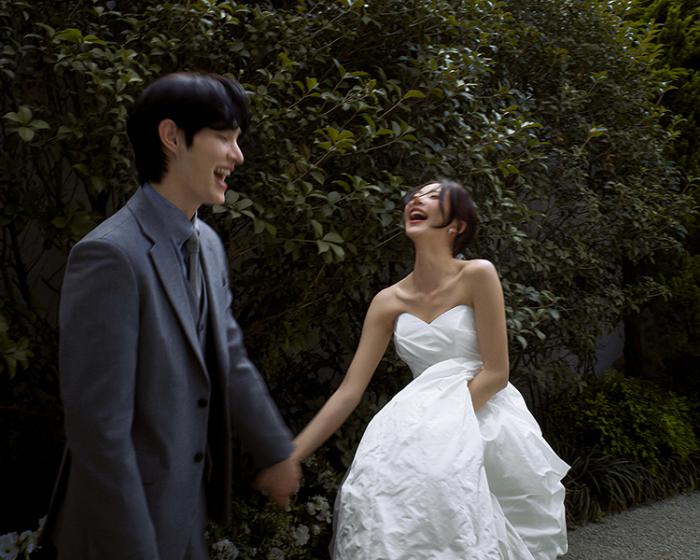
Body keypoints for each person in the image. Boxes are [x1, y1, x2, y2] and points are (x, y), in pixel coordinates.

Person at [43, 72, 300, 560]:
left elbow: (230, 356)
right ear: (172, 137)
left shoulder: (208, 244)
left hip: (184, 518)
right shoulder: (109, 256)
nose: (238, 155)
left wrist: (275, 450)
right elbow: (100, 433)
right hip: (122, 531)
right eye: (223, 137)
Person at [292, 179, 569, 559]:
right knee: (397, 520)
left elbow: (496, 372)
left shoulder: (478, 275)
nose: (417, 199)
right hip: (410, 424)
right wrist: (293, 453)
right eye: (415, 195)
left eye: (433, 196)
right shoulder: (387, 301)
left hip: (480, 415)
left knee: (471, 524)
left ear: (457, 225)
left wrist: (443, 428)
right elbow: (349, 391)